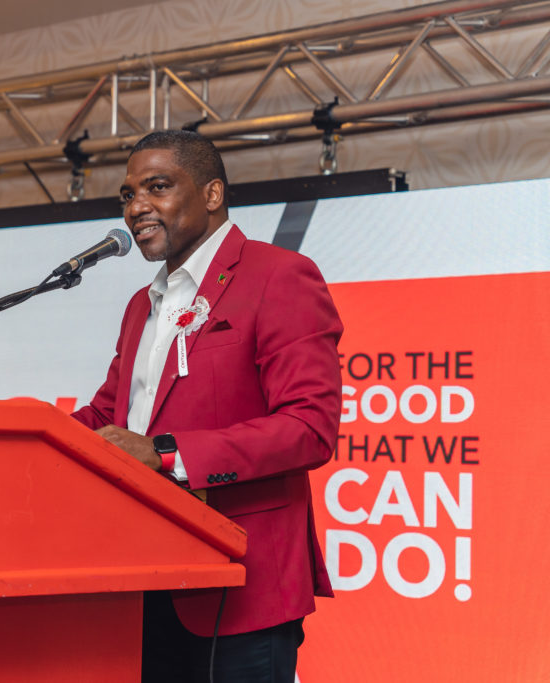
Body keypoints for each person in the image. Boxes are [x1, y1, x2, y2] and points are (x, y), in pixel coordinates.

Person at [71, 130, 342, 682]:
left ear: (212, 194)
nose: (136, 207)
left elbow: (308, 428)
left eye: (157, 187)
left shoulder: (278, 276)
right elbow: (108, 416)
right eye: (128, 194)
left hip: (241, 586)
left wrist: (164, 453)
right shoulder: (140, 305)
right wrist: (16, 432)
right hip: (143, 579)